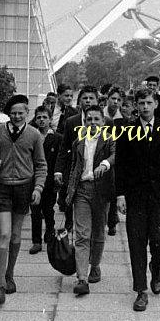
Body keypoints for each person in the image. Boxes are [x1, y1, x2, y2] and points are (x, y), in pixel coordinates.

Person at [115, 87, 160, 312]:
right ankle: (141, 290)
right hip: (135, 197)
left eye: (148, 103)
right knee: (136, 243)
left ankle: (156, 266)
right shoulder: (127, 130)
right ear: (136, 105)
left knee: (159, 241)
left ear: (155, 104)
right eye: (141, 103)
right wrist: (120, 195)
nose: (144, 107)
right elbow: (121, 166)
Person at [0, 95, 47, 306]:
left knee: (16, 234)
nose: (17, 116)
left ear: (27, 113)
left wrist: (38, 188)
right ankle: (0, 286)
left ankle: (10, 275)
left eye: (21, 113)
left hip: (24, 188)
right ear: (8, 114)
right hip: (2, 187)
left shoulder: (34, 135)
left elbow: (41, 164)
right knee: (5, 233)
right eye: (13, 113)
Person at [65, 105, 115, 295]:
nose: (92, 123)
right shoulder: (78, 141)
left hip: (101, 191)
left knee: (98, 233)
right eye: (89, 120)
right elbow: (74, 168)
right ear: (84, 122)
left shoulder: (110, 140)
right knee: (82, 234)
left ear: (103, 122)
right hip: (82, 191)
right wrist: (68, 192)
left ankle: (95, 264)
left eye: (96, 119)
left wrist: (105, 164)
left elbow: (116, 154)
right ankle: (82, 278)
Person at [54, 85, 99, 231]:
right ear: (79, 101)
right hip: (72, 170)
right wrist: (58, 171)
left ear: (97, 101)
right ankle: (69, 226)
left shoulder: (106, 122)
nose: (88, 101)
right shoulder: (71, 121)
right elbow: (63, 147)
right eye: (84, 98)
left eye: (91, 98)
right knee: (69, 202)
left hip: (94, 172)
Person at [28, 105, 62, 254]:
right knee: (35, 210)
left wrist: (58, 177)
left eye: (44, 117)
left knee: (48, 209)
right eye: (39, 117)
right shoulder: (31, 136)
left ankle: (50, 231)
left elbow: (59, 159)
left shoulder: (57, 138)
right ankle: (36, 241)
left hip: (50, 180)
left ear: (50, 119)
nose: (41, 120)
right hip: (33, 179)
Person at [104, 86, 126, 236]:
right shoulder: (99, 116)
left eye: (119, 100)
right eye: (113, 99)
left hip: (116, 157)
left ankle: (112, 221)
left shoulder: (123, 120)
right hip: (100, 155)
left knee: (113, 189)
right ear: (107, 99)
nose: (116, 102)